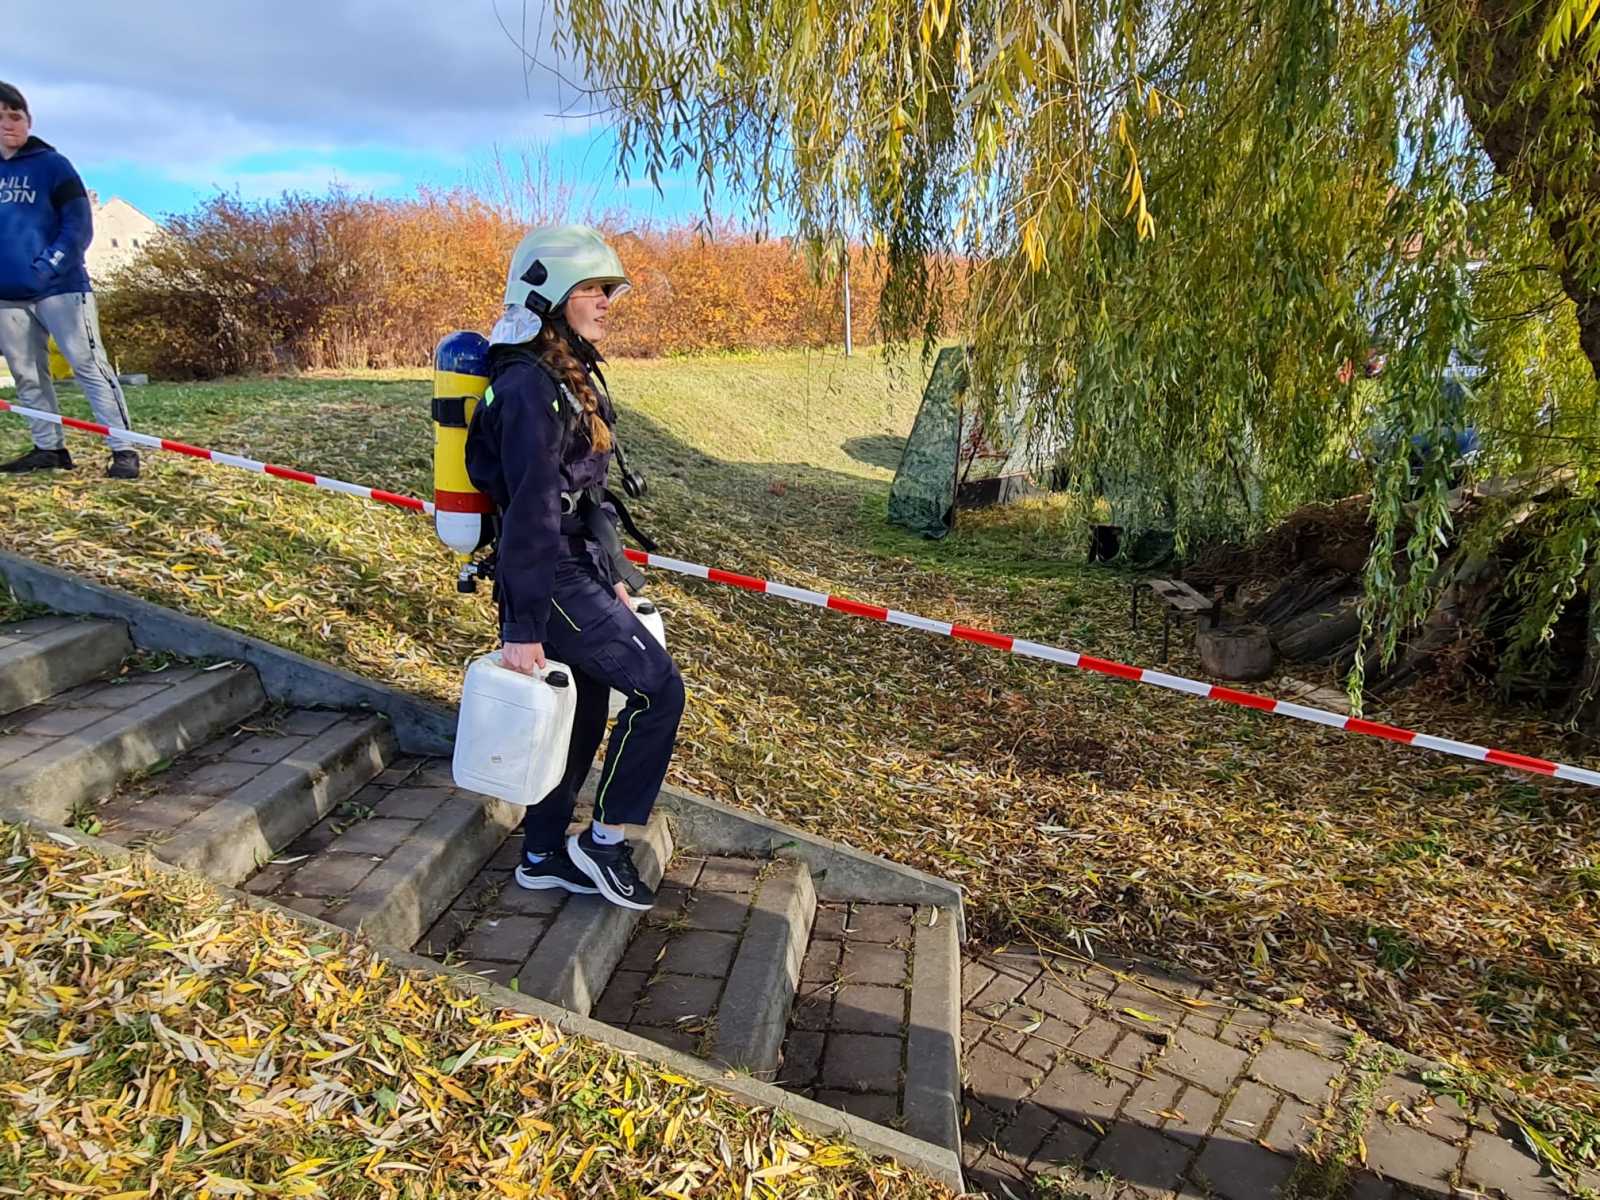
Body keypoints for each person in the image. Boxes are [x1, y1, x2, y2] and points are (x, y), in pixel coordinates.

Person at [465, 225, 685, 911]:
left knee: (584, 714)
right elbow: (531, 510)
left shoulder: (564, 375)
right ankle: (604, 841)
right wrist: (522, 627)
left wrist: (612, 567)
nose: (605, 301)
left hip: (575, 565)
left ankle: (540, 854)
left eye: (607, 289)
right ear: (551, 298)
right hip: (549, 576)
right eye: (591, 288)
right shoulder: (528, 386)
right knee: (658, 690)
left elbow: (585, 495)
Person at [0, 80, 138, 479]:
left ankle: (124, 449)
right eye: (1, 118)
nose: (9, 124)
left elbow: (78, 226)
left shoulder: (53, 165)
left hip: (61, 289)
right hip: (7, 297)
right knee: (27, 374)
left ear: (28, 121)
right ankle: (49, 449)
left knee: (88, 365)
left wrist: (48, 266)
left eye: (16, 116)